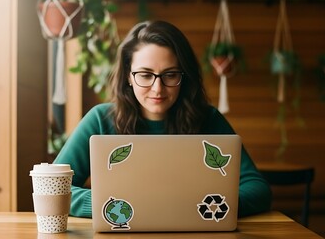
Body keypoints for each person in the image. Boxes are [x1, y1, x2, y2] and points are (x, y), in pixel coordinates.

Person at [53, 20, 272, 218]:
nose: (158, 89)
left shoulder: (208, 120)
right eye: (146, 75)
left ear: (183, 76)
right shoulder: (101, 120)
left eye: (170, 75)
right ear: (129, 76)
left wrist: (208, 207)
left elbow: (257, 188)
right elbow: (53, 187)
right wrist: (109, 206)